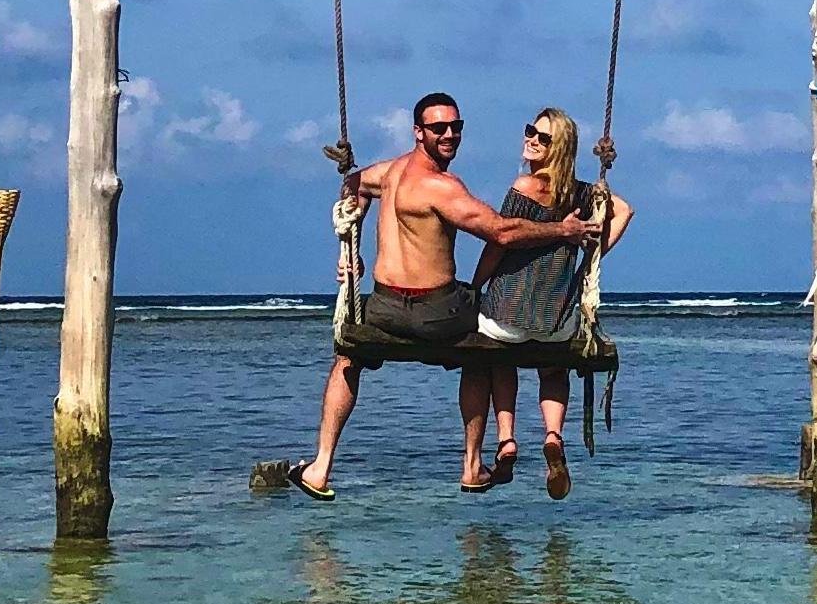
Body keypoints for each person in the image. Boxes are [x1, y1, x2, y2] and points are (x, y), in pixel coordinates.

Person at [265, 92, 525, 500]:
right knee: (486, 342)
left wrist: (351, 251)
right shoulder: (442, 187)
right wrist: (565, 232)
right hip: (436, 313)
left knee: (348, 356)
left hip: (383, 306)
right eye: (438, 128)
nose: (449, 134)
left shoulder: (390, 173)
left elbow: (353, 182)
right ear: (418, 132)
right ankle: (473, 465)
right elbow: (502, 232)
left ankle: (319, 468)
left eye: (456, 127)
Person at [463, 109, 631, 498]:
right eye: (530, 131)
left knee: (498, 359)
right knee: (553, 369)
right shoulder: (581, 192)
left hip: (507, 314)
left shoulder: (524, 186)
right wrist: (594, 256)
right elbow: (625, 210)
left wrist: (475, 285)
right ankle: (553, 435)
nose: (532, 140)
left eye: (543, 137)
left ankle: (506, 440)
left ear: (560, 149)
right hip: (555, 319)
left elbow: (499, 242)